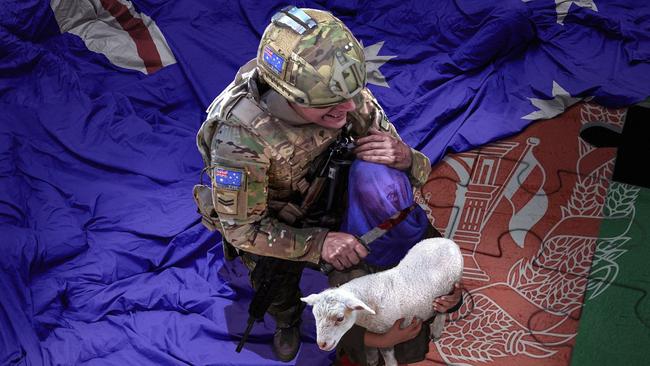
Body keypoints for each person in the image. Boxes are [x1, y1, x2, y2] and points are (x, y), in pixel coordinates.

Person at [192, 6, 462, 364]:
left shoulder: (338, 90)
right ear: (289, 98)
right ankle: (287, 319)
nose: (350, 107)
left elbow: (407, 173)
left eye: (351, 95)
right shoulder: (240, 140)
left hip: (335, 189)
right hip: (276, 221)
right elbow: (243, 230)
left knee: (382, 178)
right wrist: (318, 244)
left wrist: (407, 159)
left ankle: (416, 270)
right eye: (332, 105)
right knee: (273, 282)